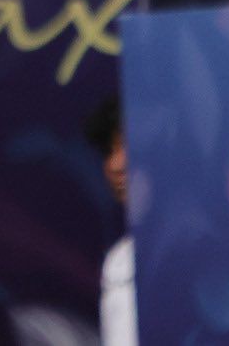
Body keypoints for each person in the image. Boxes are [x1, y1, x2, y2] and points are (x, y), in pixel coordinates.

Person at [85, 96, 137, 346]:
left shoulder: (202, 245)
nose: (116, 165)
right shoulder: (119, 260)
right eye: (108, 151)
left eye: (127, 146)